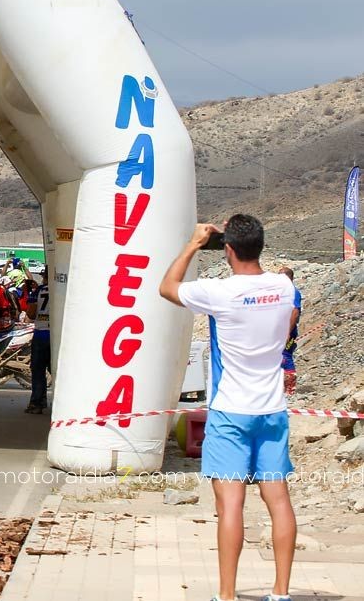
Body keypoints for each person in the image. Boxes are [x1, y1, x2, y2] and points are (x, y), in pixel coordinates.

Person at [159, 215, 297, 601]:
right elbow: (284, 310)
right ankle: (281, 593)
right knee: (279, 500)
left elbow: (167, 288)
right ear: (260, 246)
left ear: (228, 249)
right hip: (272, 411)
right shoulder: (283, 286)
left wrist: (193, 243)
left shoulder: (218, 292)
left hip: (230, 413)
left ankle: (227, 595)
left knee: (231, 504)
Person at [24, 277, 50, 414]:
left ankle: (37, 403)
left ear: (45, 277)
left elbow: (31, 314)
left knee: (38, 371)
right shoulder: (64, 290)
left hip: (41, 334)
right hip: (58, 335)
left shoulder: (39, 291)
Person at [279, 267, 301, 396]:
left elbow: (295, 312)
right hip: (279, 330)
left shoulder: (293, 292)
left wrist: (287, 332)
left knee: (285, 355)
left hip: (288, 332)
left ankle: (290, 388)